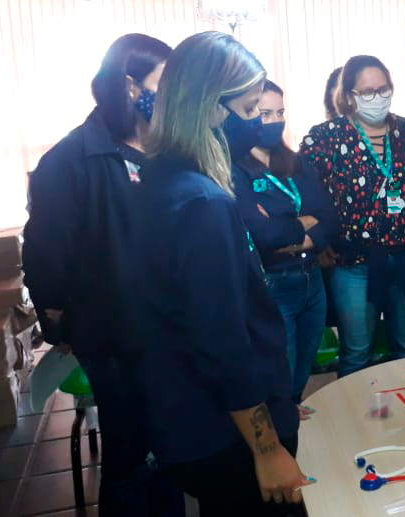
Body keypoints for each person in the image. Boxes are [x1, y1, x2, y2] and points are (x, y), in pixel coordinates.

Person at [134, 31, 309, 515]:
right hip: (221, 432)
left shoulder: (160, 177)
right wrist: (268, 447)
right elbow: (223, 341)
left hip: (189, 413)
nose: (258, 123)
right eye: (251, 109)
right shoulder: (201, 203)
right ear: (210, 107)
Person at [22, 33, 184, 517]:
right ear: (132, 86)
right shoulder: (72, 160)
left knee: (168, 448)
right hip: (112, 333)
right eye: (165, 83)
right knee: (130, 456)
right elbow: (46, 254)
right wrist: (60, 323)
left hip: (165, 327)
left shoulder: (161, 151)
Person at [301, 55, 405, 377]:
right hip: (354, 263)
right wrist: (318, 242)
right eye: (367, 92)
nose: (378, 98)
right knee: (357, 351)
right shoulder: (326, 138)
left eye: (384, 89)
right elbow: (304, 193)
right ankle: (358, 424)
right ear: (349, 96)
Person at [234, 80, 339, 419]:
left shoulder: (295, 162)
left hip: (312, 280)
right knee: (280, 369)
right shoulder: (235, 169)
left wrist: (293, 233)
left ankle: (288, 414)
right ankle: (278, 433)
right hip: (274, 284)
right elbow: (262, 235)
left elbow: (329, 217)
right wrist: (303, 223)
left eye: (279, 112)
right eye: (263, 113)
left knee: (301, 369)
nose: (273, 120)